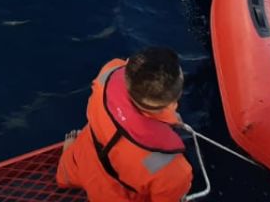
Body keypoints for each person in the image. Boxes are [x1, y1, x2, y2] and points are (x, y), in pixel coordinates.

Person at [57, 47, 193, 201]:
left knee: (70, 170)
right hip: (116, 196)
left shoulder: (109, 71)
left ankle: (66, 166)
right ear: (173, 103)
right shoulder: (174, 170)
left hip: (84, 157)